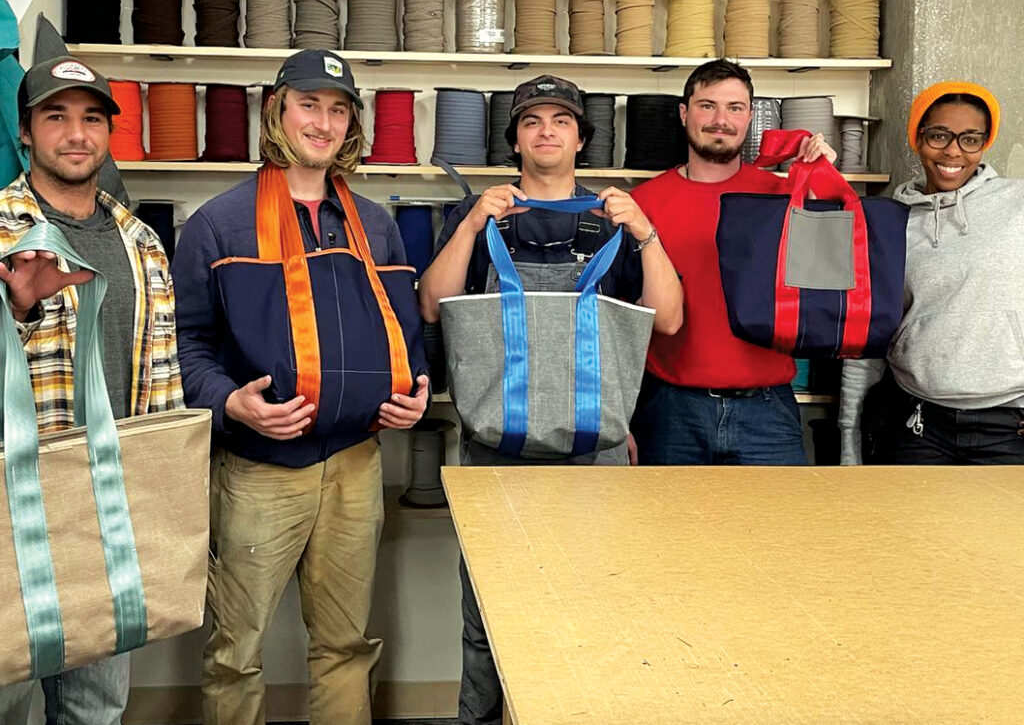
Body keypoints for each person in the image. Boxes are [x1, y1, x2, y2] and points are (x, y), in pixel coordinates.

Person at [171, 50, 429, 725]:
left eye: (338, 108)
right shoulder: (216, 225)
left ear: (352, 125)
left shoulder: (374, 225)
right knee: (236, 650)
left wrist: (416, 389)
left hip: (355, 466)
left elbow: (403, 333)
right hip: (259, 473)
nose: (323, 121)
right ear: (276, 111)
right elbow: (185, 345)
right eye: (308, 104)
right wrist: (230, 402)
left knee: (345, 645)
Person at [418, 73, 682, 725]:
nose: (546, 131)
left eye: (560, 121)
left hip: (594, 455)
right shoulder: (478, 217)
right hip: (494, 451)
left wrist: (646, 234)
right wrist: (473, 222)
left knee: (592, 612)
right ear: (515, 139)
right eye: (532, 121)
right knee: (487, 616)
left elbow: (669, 320)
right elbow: (431, 302)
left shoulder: (614, 219)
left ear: (580, 138)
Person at [0, 53, 183, 725]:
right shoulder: (2, 233)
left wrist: (160, 493)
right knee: (10, 693)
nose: (75, 134)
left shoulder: (143, 242)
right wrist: (14, 311)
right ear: (25, 131)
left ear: (109, 132)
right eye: (56, 117)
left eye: (90, 118)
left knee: (98, 702)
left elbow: (163, 380)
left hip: (111, 503)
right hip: (16, 508)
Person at [629, 59, 836, 466]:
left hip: (767, 413)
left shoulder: (784, 197)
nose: (720, 119)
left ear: (750, 117)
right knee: (664, 531)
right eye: (707, 106)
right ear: (684, 113)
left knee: (776, 530)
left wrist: (824, 184)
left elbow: (830, 277)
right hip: (669, 411)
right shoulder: (643, 204)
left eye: (734, 108)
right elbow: (621, 325)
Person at [839, 82, 1024, 465]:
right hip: (917, 425)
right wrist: (849, 440)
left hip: (1010, 427)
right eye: (939, 135)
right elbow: (865, 345)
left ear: (985, 143)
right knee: (907, 527)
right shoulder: (889, 224)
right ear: (918, 138)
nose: (953, 151)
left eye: (970, 139)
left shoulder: (1017, 204)